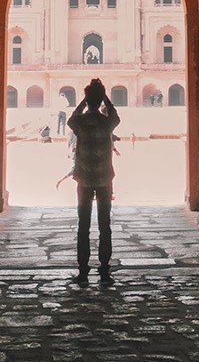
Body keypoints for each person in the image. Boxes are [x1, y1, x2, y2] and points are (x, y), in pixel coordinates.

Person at [67, 78, 120, 281]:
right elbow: (115, 116)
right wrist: (103, 96)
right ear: (100, 102)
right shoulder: (106, 124)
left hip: (85, 180)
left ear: (87, 101)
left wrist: (84, 100)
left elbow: (72, 119)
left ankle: (83, 267)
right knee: (105, 225)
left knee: (84, 225)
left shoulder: (80, 124)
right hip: (104, 180)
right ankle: (104, 266)